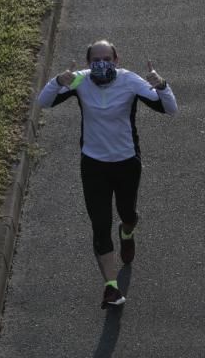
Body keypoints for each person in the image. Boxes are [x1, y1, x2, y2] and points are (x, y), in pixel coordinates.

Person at [38, 39, 178, 309]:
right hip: (93, 165)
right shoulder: (80, 81)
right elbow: (43, 102)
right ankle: (111, 288)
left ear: (116, 60)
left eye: (107, 58)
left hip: (126, 162)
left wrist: (162, 85)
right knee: (100, 225)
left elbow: (170, 109)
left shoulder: (130, 81)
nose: (101, 63)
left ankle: (127, 233)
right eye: (95, 60)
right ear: (89, 63)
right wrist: (57, 81)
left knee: (128, 214)